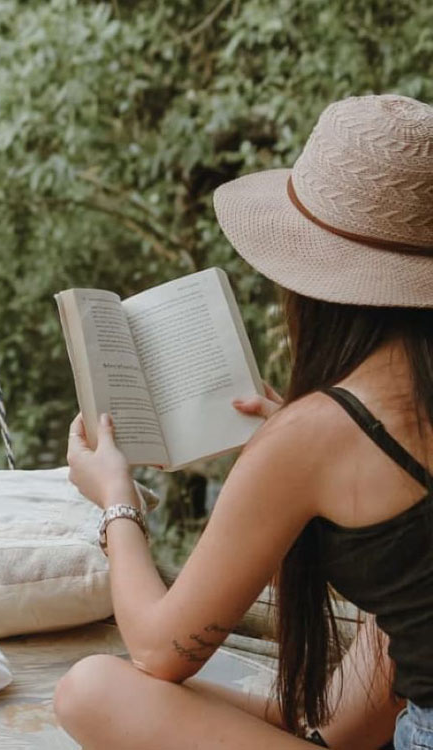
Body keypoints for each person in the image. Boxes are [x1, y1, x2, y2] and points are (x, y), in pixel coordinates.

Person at [53, 93, 433, 749]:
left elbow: (158, 650)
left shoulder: (317, 434)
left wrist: (116, 498)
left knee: (92, 690)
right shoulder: (349, 426)